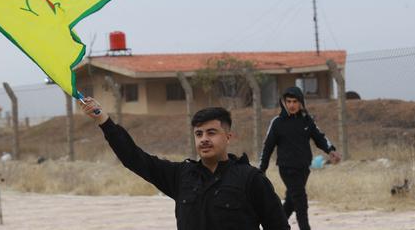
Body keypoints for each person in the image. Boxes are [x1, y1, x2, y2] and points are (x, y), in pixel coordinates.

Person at [80, 97, 289, 230]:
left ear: (228, 137)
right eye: (199, 134)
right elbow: (134, 159)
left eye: (211, 132)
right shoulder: (181, 176)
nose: (204, 139)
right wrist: (104, 122)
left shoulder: (250, 179)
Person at [259, 86, 341, 230]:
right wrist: (261, 169)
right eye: (288, 101)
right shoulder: (277, 122)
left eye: (295, 101)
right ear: (284, 102)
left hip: (304, 168)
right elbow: (268, 147)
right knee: (301, 202)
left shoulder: (306, 120)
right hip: (287, 168)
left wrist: (330, 150)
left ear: (300, 102)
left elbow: (319, 137)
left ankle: (275, 227)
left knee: (291, 201)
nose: (291, 105)